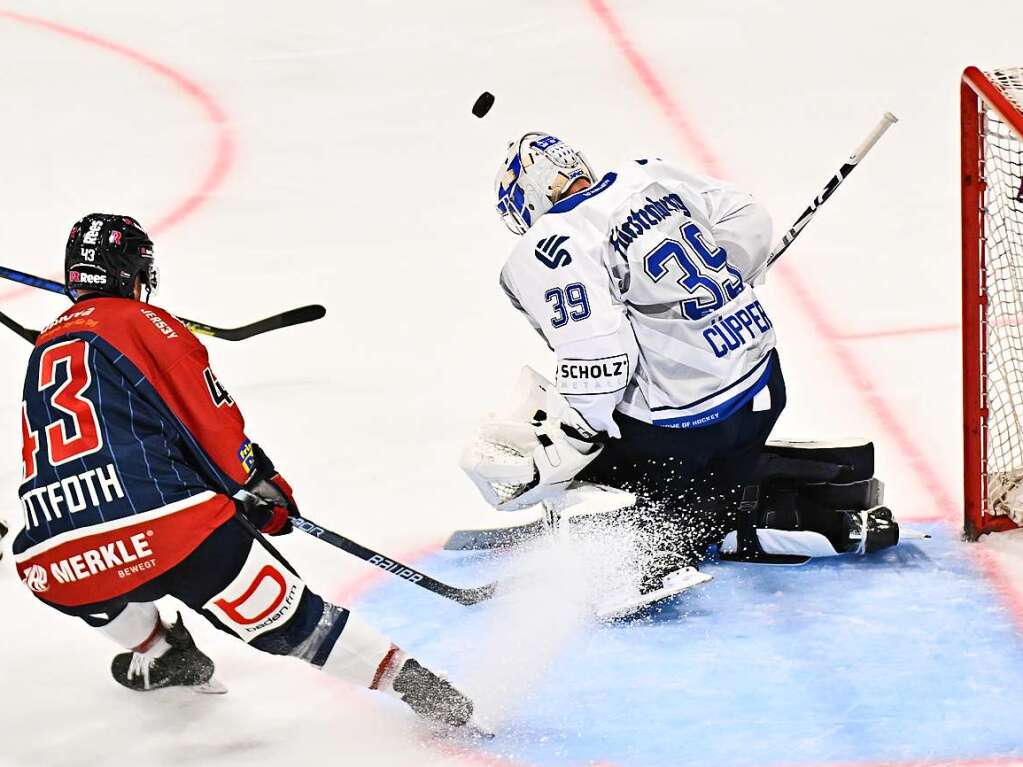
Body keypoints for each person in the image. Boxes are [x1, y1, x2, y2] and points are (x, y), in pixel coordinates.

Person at [12, 213, 476, 729]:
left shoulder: (43, 351)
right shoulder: (145, 323)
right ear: (133, 271)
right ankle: (420, 688)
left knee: (81, 573)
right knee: (298, 626)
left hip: (57, 559)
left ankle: (161, 653)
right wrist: (257, 484)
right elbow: (207, 422)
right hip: (171, 531)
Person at [476, 133, 787, 592]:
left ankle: (631, 558)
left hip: (683, 431)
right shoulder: (649, 174)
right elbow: (750, 219)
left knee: (553, 436)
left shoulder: (550, 244)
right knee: (705, 470)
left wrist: (578, 437)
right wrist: (709, 289)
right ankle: (707, 518)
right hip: (763, 389)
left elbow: (600, 355)